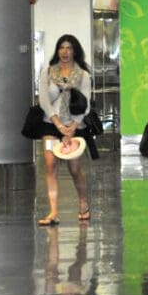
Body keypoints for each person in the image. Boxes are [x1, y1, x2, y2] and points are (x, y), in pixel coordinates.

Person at [36, 34, 93, 226]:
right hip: (50, 124)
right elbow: (43, 100)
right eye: (61, 47)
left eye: (69, 48)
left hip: (74, 126)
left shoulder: (83, 75)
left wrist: (71, 127)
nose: (65, 52)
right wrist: (58, 124)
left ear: (75, 51)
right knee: (50, 164)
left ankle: (83, 202)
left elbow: (85, 104)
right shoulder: (47, 72)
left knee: (74, 168)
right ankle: (53, 212)